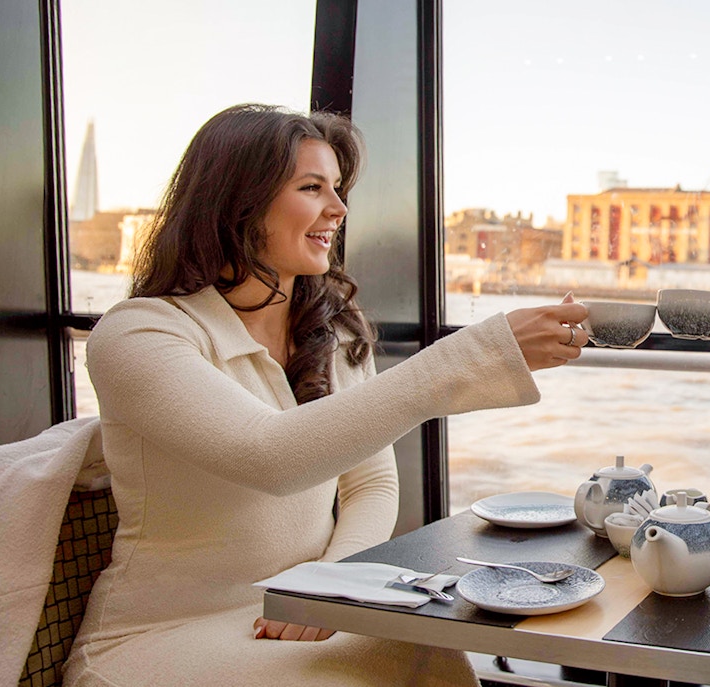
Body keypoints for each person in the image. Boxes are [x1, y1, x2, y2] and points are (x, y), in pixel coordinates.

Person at [63, 104, 589, 687]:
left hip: (299, 608)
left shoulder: (330, 328)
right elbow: (271, 456)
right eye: (312, 188)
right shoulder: (139, 333)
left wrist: (327, 585)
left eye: (337, 189)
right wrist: (474, 353)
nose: (338, 210)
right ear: (237, 200)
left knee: (432, 657)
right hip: (162, 635)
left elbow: (371, 482)